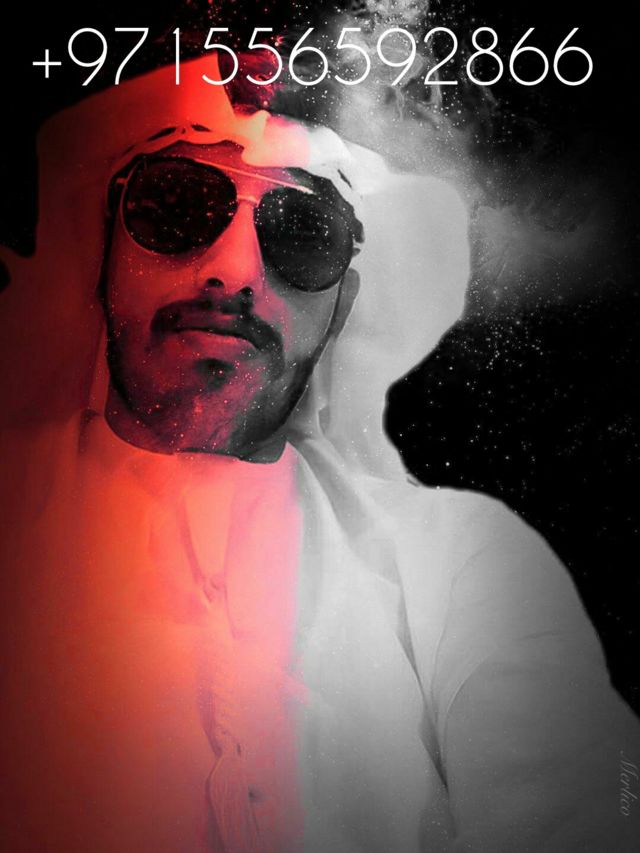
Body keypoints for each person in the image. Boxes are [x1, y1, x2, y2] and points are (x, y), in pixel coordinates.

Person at [0, 54, 638, 853]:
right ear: (98, 256)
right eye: (177, 207)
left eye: (302, 235)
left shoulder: (459, 558)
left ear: (342, 308)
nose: (234, 271)